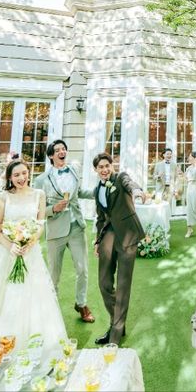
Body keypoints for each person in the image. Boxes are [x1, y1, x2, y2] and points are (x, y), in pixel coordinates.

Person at [0, 160, 67, 355]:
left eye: (24, 173)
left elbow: (40, 225)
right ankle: (1, 347)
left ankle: (34, 347)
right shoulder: (4, 197)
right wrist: (11, 246)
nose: (21, 178)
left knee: (33, 298)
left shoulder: (39, 194)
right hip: (6, 253)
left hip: (31, 252)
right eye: (16, 175)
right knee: (3, 299)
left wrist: (30, 242)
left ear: (29, 173)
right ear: (10, 178)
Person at [35, 139, 96, 323]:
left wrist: (99, 192)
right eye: (57, 150)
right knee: (54, 273)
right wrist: (53, 209)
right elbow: (37, 209)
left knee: (83, 269)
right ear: (51, 156)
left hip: (77, 226)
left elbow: (79, 193)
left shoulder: (74, 171)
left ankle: (81, 304)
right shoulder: (41, 180)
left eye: (63, 149)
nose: (62, 152)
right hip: (55, 231)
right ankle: (51, 307)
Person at [92, 152, 147, 346]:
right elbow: (101, 218)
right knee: (104, 283)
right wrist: (98, 241)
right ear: (96, 170)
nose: (105, 170)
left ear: (112, 166)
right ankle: (117, 323)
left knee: (123, 286)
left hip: (128, 234)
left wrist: (137, 191)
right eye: (101, 167)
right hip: (109, 234)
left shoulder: (121, 177)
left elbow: (130, 183)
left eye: (107, 166)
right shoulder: (96, 190)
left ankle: (114, 335)